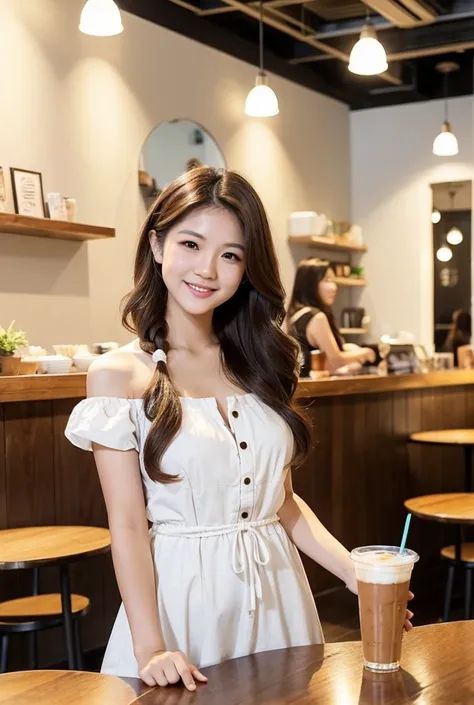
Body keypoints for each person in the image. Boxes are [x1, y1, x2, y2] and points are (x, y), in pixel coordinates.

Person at [65, 168, 412, 691]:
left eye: (230, 254)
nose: (208, 269)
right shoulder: (119, 375)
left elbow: (282, 502)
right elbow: (129, 526)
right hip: (183, 605)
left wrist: (354, 575)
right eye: (190, 243)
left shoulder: (263, 362)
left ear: (248, 268)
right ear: (157, 245)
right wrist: (149, 646)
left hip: (279, 594)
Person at [287, 258, 376, 376]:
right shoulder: (317, 317)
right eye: (327, 280)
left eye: (333, 281)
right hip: (317, 391)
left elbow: (319, 360)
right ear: (309, 284)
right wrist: (367, 353)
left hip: (302, 388)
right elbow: (336, 360)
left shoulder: (295, 316)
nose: (334, 287)